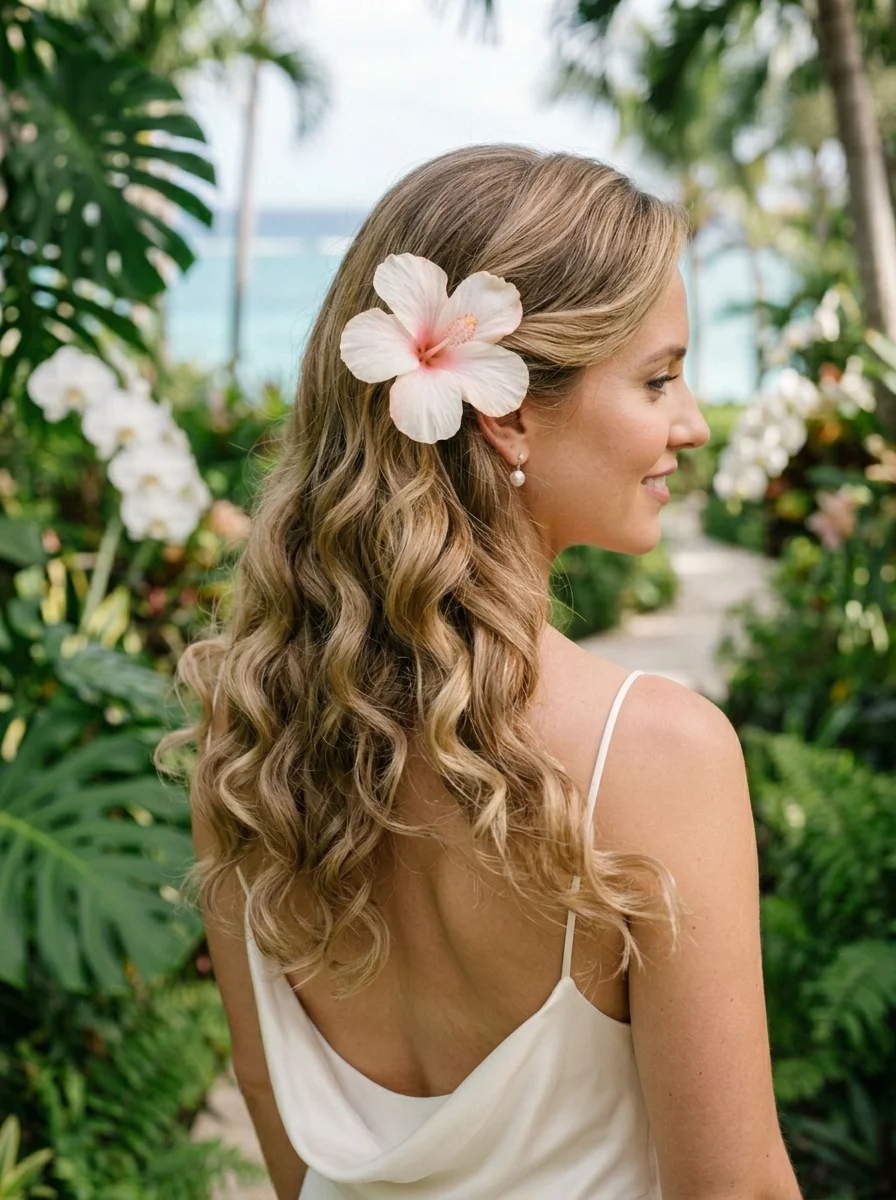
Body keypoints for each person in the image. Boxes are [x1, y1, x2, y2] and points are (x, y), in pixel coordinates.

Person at [170, 145, 804, 1199]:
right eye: (656, 379)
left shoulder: (246, 754)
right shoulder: (652, 757)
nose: (688, 423)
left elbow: (277, 1130)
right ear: (504, 410)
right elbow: (728, 1186)